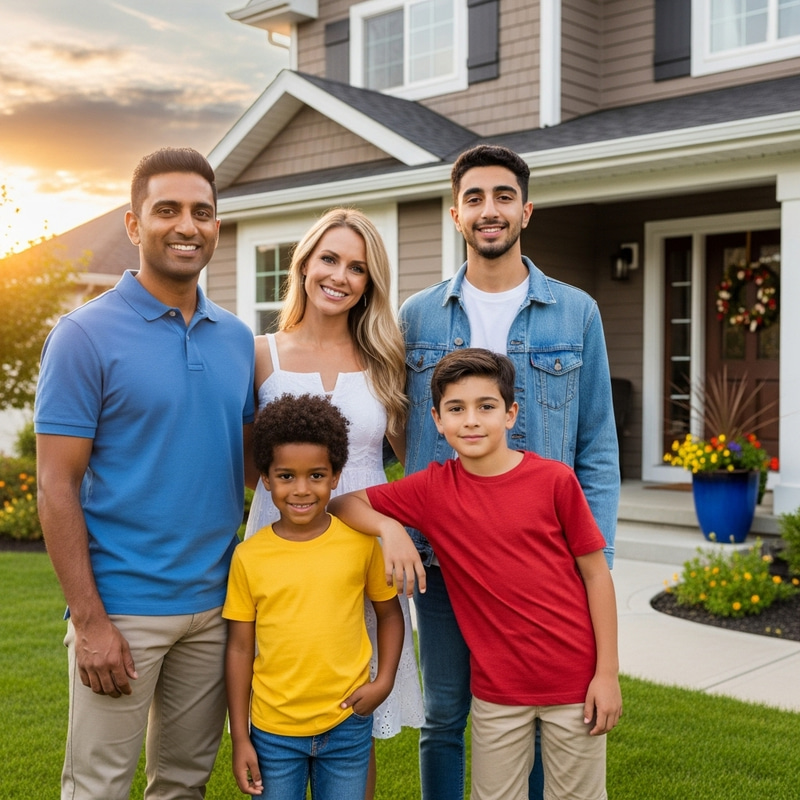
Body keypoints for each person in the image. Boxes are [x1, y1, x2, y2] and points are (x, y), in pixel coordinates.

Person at [34, 147, 256, 799]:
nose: (187, 225)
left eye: (202, 212)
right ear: (134, 224)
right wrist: (91, 622)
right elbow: (55, 486)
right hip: (122, 609)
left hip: (215, 607)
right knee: (98, 786)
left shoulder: (237, 339)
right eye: (167, 210)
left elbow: (244, 465)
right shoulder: (84, 335)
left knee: (183, 784)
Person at [400, 144, 620, 799]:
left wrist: (595, 557)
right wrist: (393, 530)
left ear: (526, 210)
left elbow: (598, 444)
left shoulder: (575, 312)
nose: (488, 211)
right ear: (454, 214)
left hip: (542, 561)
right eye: (474, 198)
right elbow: (395, 428)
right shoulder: (417, 316)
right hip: (443, 561)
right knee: (443, 714)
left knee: (526, 714)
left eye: (502, 197)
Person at [330, 349, 623, 799]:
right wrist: (390, 528)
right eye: (456, 409)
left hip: (574, 685)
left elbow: (597, 576)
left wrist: (607, 675)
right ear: (436, 419)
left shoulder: (555, 481)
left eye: (486, 407)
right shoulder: (432, 489)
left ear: (511, 414)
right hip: (497, 692)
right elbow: (342, 504)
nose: (471, 420)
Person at [242, 207, 425, 797]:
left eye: (357, 267)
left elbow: (416, 466)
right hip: (279, 542)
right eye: (329, 259)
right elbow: (248, 466)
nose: (340, 276)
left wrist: (392, 526)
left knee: (355, 711)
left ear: (370, 283)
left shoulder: (384, 361)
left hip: (366, 551)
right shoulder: (260, 353)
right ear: (304, 264)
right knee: (281, 693)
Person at [225, 393, 404, 799]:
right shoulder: (248, 557)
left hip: (346, 724)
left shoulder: (359, 544)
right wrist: (240, 736)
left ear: (336, 475)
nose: (301, 490)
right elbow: (239, 649)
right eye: (286, 476)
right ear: (266, 478)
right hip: (273, 732)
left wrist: (385, 681)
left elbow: (391, 616)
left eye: (316, 475)